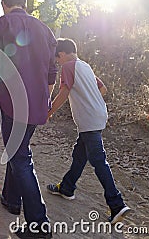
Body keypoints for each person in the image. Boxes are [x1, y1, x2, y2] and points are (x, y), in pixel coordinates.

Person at [0, 0, 57, 238]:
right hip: (36, 102)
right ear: (24, 4)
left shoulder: (0, 24)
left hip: (13, 102)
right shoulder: (45, 30)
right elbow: (51, 74)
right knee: (19, 149)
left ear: (4, 4)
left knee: (19, 155)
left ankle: (39, 223)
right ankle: (11, 199)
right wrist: (45, 101)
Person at [46, 38, 130, 224]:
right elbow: (103, 89)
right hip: (99, 115)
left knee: (98, 161)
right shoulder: (85, 66)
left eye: (57, 59)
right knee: (80, 155)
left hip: (90, 120)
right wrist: (90, 100)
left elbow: (64, 92)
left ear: (61, 54)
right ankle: (67, 188)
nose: (58, 62)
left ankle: (116, 204)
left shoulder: (68, 67)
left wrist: (49, 112)